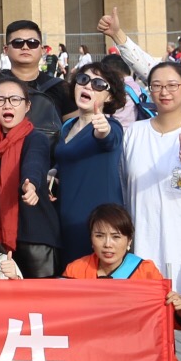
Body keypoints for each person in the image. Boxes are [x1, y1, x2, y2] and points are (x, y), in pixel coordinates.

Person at [121, 60, 181, 295]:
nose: (164, 92)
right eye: (157, 86)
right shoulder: (134, 132)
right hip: (144, 241)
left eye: (173, 85)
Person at [51, 59, 126, 266]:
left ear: (109, 96)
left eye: (99, 84)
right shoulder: (67, 126)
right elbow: (66, 159)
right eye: (83, 79)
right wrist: (53, 174)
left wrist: (103, 129)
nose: (88, 86)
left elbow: (109, 138)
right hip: (66, 219)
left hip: (99, 224)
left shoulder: (111, 124)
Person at [0, 77, 56, 277]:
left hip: (34, 236)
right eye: (0, 100)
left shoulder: (36, 138)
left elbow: (35, 163)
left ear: (27, 105)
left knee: (39, 302)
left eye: (15, 99)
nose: (7, 105)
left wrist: (30, 186)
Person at [61, 203, 181, 292]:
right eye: (99, 236)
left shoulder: (145, 271)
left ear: (129, 240)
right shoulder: (75, 270)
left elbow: (164, 315)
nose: (108, 244)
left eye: (116, 237)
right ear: (91, 239)